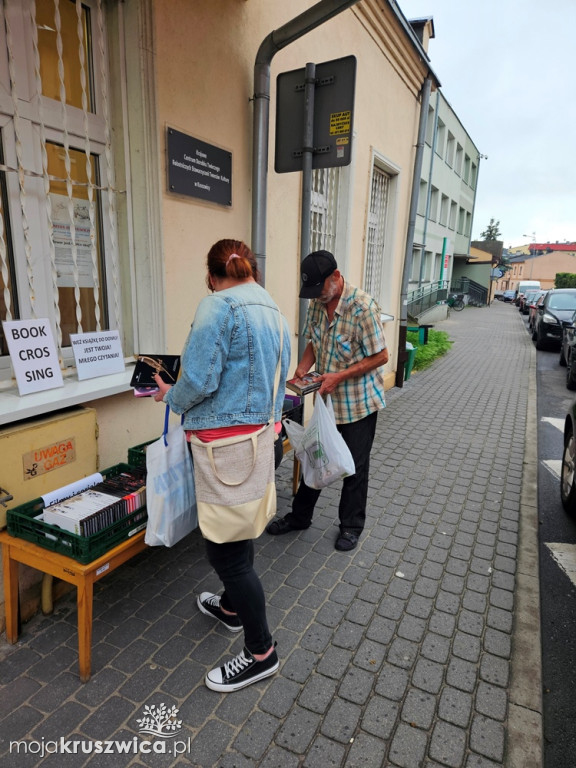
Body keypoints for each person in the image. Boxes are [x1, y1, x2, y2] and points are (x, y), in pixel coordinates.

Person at [153, 239, 290, 693]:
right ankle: (231, 609)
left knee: (225, 552)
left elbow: (198, 379)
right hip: (258, 441)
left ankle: (261, 652)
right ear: (249, 269)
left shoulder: (218, 305)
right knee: (240, 530)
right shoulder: (273, 307)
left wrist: (169, 394)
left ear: (212, 276)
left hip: (225, 450)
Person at [266, 249, 388, 551]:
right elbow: (312, 341)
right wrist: (302, 368)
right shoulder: (318, 304)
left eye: (319, 289)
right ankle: (300, 517)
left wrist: (338, 376)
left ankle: (350, 527)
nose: (316, 297)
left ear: (335, 277)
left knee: (354, 467)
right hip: (326, 402)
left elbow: (381, 356)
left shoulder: (363, 308)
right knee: (314, 456)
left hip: (359, 404)